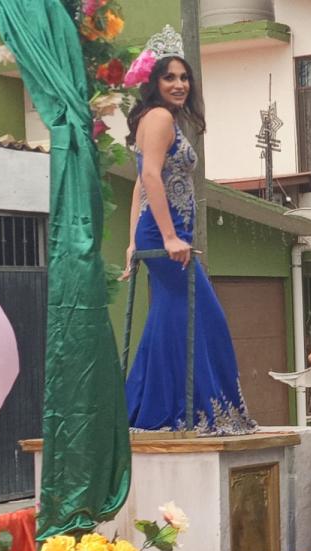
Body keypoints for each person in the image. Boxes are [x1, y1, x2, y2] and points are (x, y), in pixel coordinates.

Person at [123, 38, 255, 435]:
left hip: (166, 233)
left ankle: (151, 411)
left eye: (184, 78)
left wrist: (132, 243)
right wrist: (166, 237)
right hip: (168, 237)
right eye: (169, 78)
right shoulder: (160, 118)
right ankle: (197, 412)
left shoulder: (159, 118)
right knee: (204, 317)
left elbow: (139, 188)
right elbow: (147, 178)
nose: (179, 84)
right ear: (155, 83)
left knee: (168, 317)